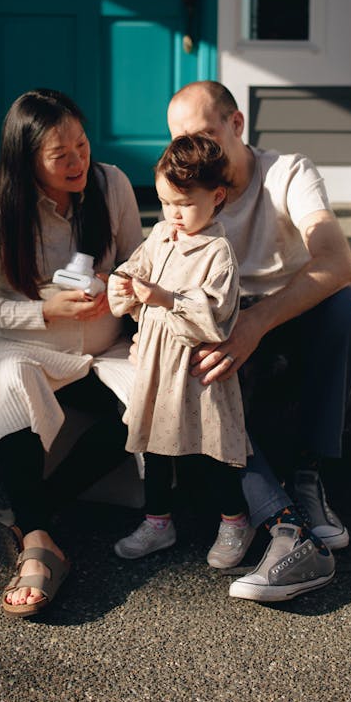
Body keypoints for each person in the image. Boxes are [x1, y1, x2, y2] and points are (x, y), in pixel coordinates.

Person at [167, 81, 351, 602]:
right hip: (227, 321)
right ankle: (285, 525)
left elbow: (338, 264)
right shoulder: (188, 191)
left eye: (207, 135)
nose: (197, 154)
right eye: (181, 141)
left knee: (348, 310)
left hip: (293, 312)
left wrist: (257, 324)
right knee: (191, 357)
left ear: (236, 125)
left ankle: (309, 473)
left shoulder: (288, 172)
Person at [0, 88, 143, 617]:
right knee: (13, 382)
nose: (78, 161)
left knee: (152, 399)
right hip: (24, 346)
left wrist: (117, 284)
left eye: (82, 145)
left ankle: (33, 513)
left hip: (106, 348)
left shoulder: (113, 184)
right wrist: (44, 310)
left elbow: (138, 262)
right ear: (26, 158)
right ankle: (40, 546)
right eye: (61, 155)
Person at [108, 134, 255, 570]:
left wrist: (164, 298)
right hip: (157, 364)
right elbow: (138, 266)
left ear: (216, 198)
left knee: (211, 447)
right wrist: (125, 281)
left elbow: (214, 312)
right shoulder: (162, 236)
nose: (173, 213)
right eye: (166, 202)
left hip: (194, 368)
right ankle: (158, 521)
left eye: (184, 204)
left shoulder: (217, 252)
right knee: (154, 447)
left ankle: (235, 519)